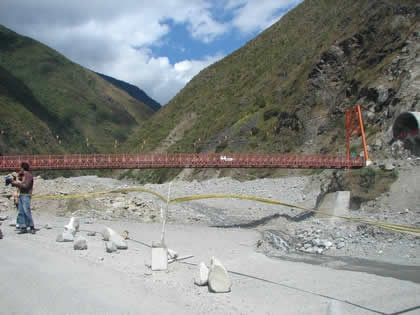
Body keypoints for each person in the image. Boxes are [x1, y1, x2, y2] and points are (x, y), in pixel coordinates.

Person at [12, 162, 36, 234]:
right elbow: (20, 185)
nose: (20, 169)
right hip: (21, 195)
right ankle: (23, 227)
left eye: (20, 168)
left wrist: (17, 183)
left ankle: (32, 227)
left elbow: (26, 186)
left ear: (23, 168)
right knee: (21, 212)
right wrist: (13, 182)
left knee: (26, 211)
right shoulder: (23, 175)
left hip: (26, 195)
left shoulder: (28, 175)